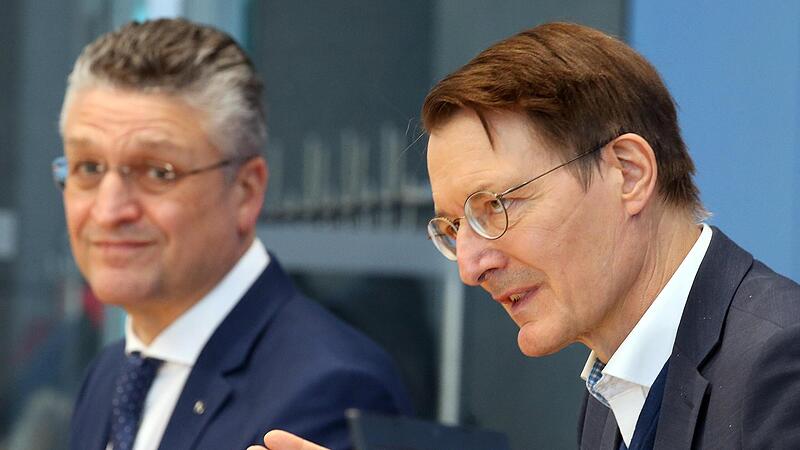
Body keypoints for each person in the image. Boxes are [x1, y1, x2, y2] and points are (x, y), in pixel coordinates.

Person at [251, 22, 800, 450]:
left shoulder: (781, 365)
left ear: (628, 173)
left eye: (494, 206)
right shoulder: (614, 387)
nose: (469, 266)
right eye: (452, 228)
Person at [56, 18, 412, 450]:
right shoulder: (111, 373)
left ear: (245, 191)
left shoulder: (331, 386)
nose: (109, 210)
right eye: (89, 168)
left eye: (157, 172)